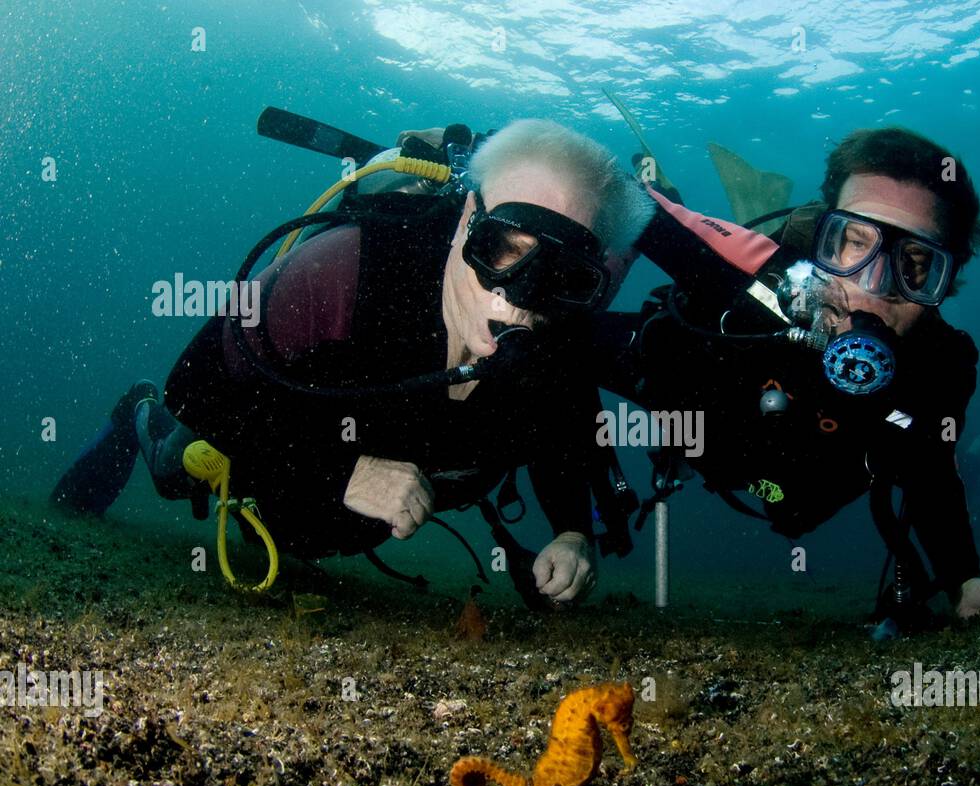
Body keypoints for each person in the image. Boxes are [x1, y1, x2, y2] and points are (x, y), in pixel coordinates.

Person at [52, 119, 654, 605]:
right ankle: (137, 415)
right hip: (268, 474)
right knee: (176, 468)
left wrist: (574, 535)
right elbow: (196, 387)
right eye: (501, 250)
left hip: (351, 523)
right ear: (467, 220)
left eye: (563, 276)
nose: (517, 299)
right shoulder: (339, 273)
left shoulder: (558, 336)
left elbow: (561, 435)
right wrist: (341, 471)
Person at [593, 126, 980, 624]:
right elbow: (607, 189)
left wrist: (963, 580)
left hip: (792, 497)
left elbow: (932, 472)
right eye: (855, 243)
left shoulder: (938, 369)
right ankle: (694, 198)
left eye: (916, 262)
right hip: (685, 411)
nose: (874, 288)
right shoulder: (757, 283)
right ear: (823, 236)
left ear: (946, 283)